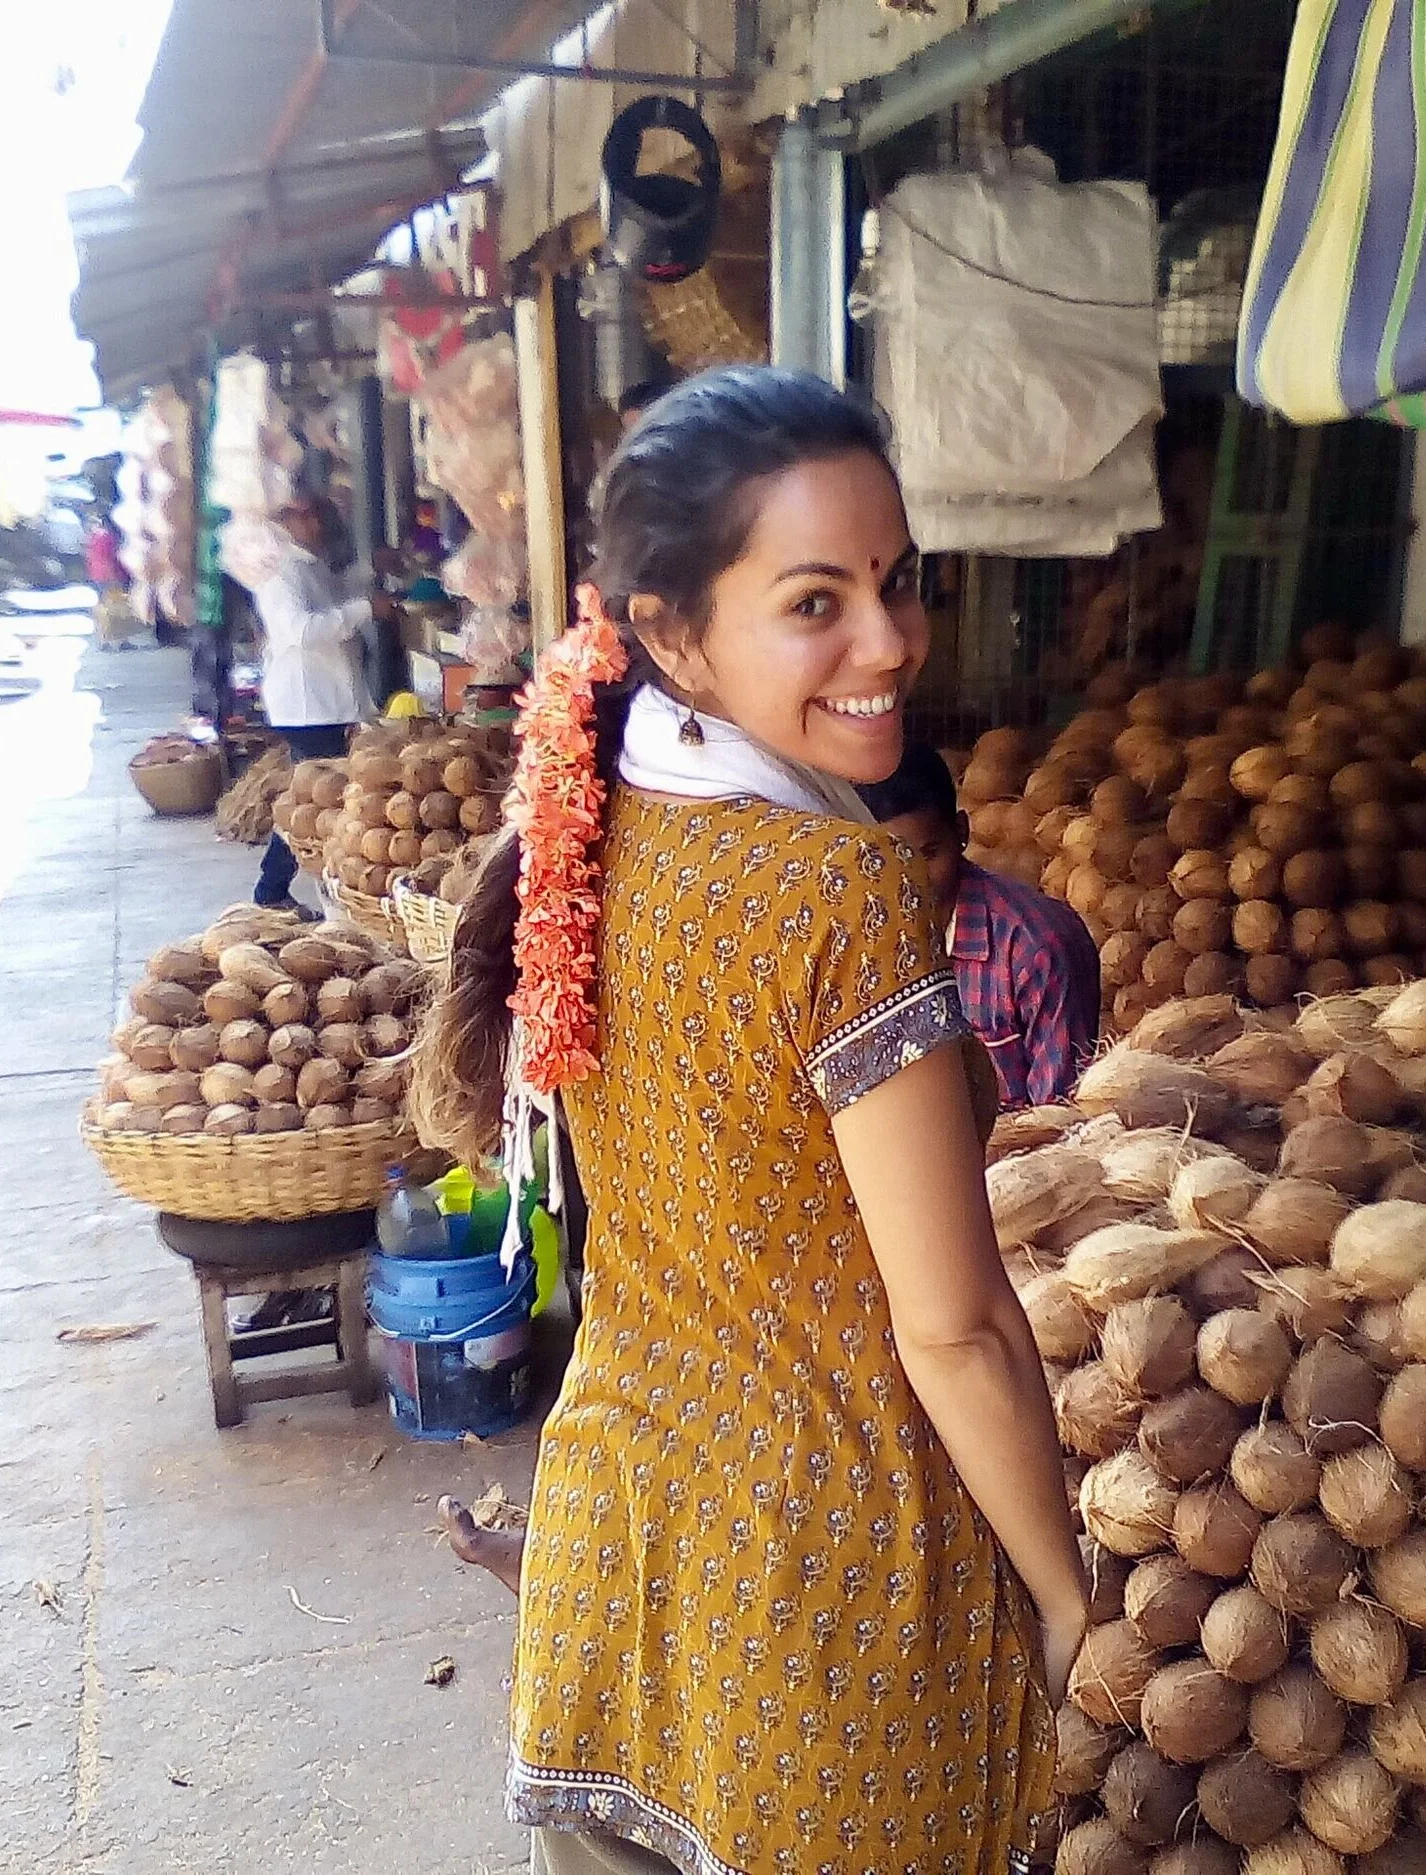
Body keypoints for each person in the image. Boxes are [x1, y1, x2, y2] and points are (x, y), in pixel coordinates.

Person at [414, 366, 1080, 1875]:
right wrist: (1066, 1588)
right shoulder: (839, 896)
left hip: (621, 1548)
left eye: (899, 584)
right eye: (815, 601)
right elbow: (958, 1326)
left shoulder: (589, 827)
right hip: (838, 1602)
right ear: (668, 633)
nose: (891, 642)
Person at [861, 740, 1103, 1110]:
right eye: (890, 860)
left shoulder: (1036, 948)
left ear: (961, 832)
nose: (910, 878)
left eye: (928, 854)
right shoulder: (860, 940)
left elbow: (1061, 1120)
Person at [247, 493, 375, 911]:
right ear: (286, 520)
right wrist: (364, 610)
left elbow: (336, 600)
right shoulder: (281, 573)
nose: (318, 524)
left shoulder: (308, 565)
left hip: (326, 703)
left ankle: (280, 889)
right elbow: (301, 631)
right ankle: (274, 890)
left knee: (316, 798)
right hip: (307, 707)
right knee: (315, 800)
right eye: (308, 515)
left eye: (317, 515)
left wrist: (370, 577)